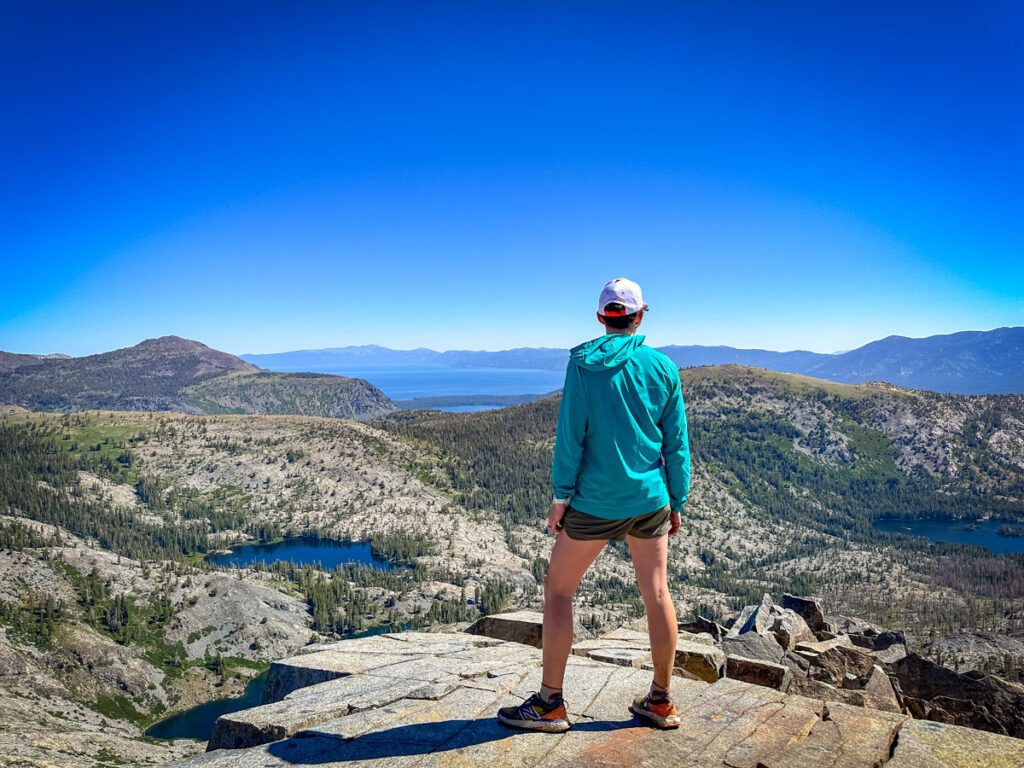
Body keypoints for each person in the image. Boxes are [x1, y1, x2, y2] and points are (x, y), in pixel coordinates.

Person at [497, 276, 691, 733]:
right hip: (650, 500)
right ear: (641, 315)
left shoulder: (583, 364)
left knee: (559, 590)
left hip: (595, 502)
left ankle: (550, 703)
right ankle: (660, 701)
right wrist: (676, 500)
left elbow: (572, 436)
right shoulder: (663, 368)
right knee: (658, 593)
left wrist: (560, 498)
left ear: (602, 317)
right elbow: (676, 444)